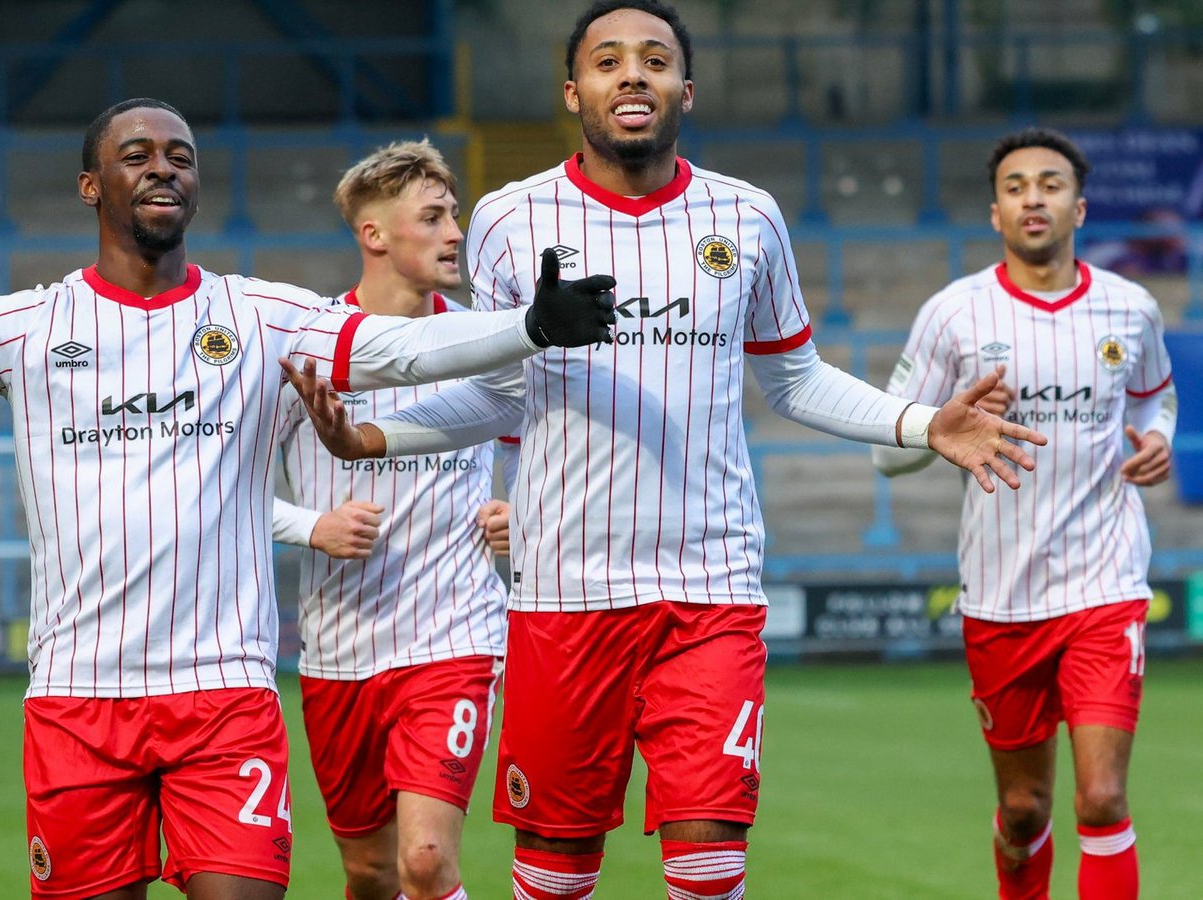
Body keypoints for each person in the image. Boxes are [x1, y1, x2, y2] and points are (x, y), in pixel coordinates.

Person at [0, 98, 619, 900]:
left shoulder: (259, 316)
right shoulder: (25, 326)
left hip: (223, 695)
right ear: (93, 183)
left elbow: (399, 349)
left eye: (180, 156)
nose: (164, 169)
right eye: (138, 155)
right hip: (77, 701)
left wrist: (527, 329)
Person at [277, 3, 1049, 897]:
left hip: (709, 588)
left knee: (711, 865)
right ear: (576, 91)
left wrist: (922, 423)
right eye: (609, 62)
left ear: (690, 86)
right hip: (564, 593)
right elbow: (493, 397)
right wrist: (370, 436)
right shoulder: (509, 221)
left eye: (655, 60)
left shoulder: (748, 218)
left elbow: (795, 380)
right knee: (556, 876)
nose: (632, 74)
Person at [873, 127, 1176, 900]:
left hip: (1105, 586)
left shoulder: (1130, 309)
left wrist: (1158, 441)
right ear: (995, 213)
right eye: (1015, 187)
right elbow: (888, 453)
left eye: (1049, 183)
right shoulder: (953, 315)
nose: (1033, 197)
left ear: (1080, 206)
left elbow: (1154, 396)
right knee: (1021, 808)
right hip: (1002, 595)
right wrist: (948, 421)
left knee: (1102, 798)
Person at [270, 139, 514, 900]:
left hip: (455, 639)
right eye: (433, 217)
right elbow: (216, 491)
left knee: (424, 863)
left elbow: (550, 452)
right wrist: (310, 526)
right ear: (374, 235)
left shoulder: (486, 341)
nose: (455, 234)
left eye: (456, 216)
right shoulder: (301, 351)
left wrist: (526, 514)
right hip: (338, 654)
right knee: (370, 874)